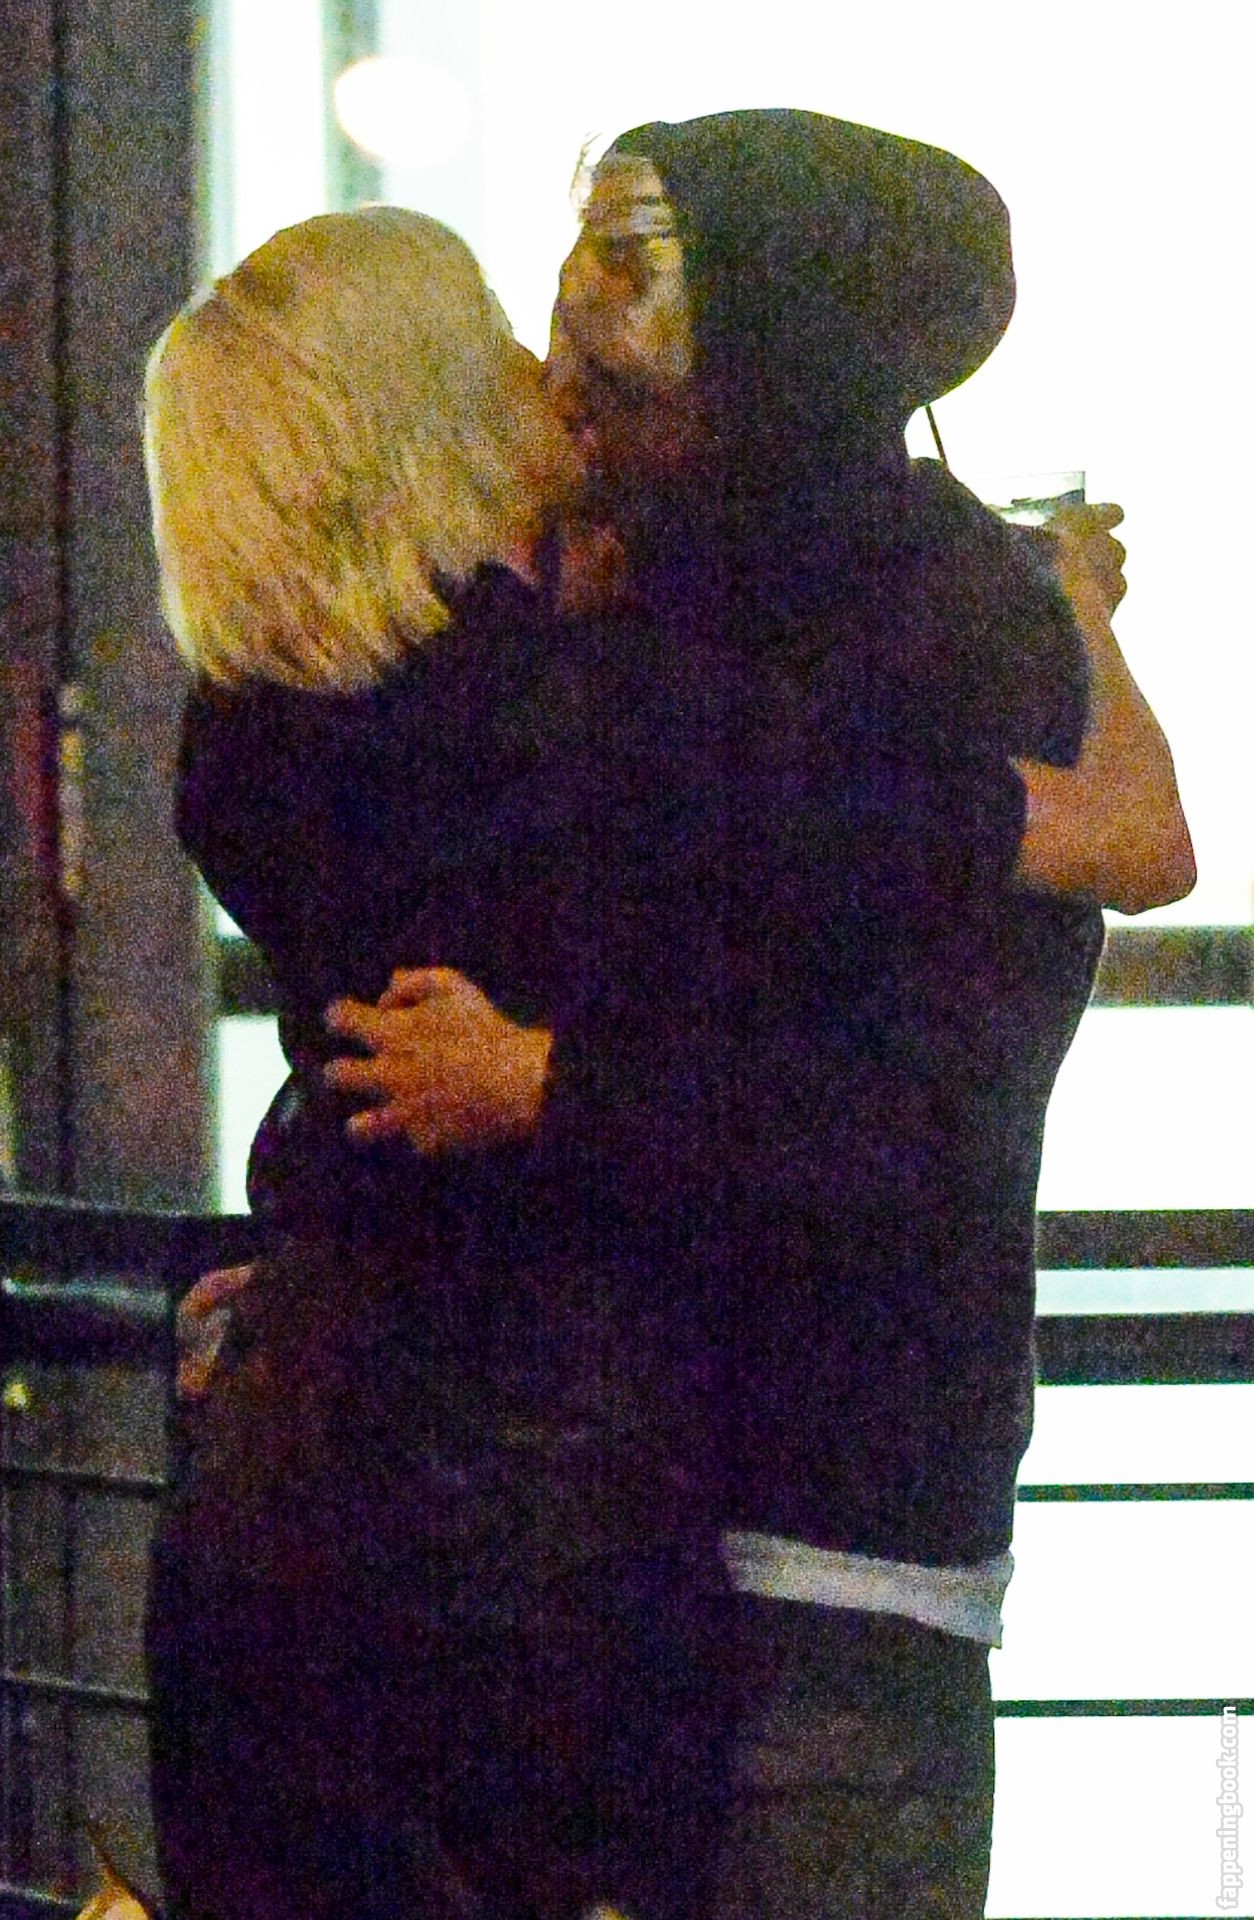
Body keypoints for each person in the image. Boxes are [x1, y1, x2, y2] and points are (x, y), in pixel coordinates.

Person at [321, 112, 1194, 1920]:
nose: (563, 334)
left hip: (814, 1517)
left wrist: (544, 1087)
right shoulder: (732, 602)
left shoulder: (899, 631)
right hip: (642, 1507)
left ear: (773, 325)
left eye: (624, 265)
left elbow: (916, 1111)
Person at [142, 205, 744, 1920]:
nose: (534, 367)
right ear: (417, 410)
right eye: (485, 328)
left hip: (291, 1443)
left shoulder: (245, 732)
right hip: (529, 1476)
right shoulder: (566, 716)